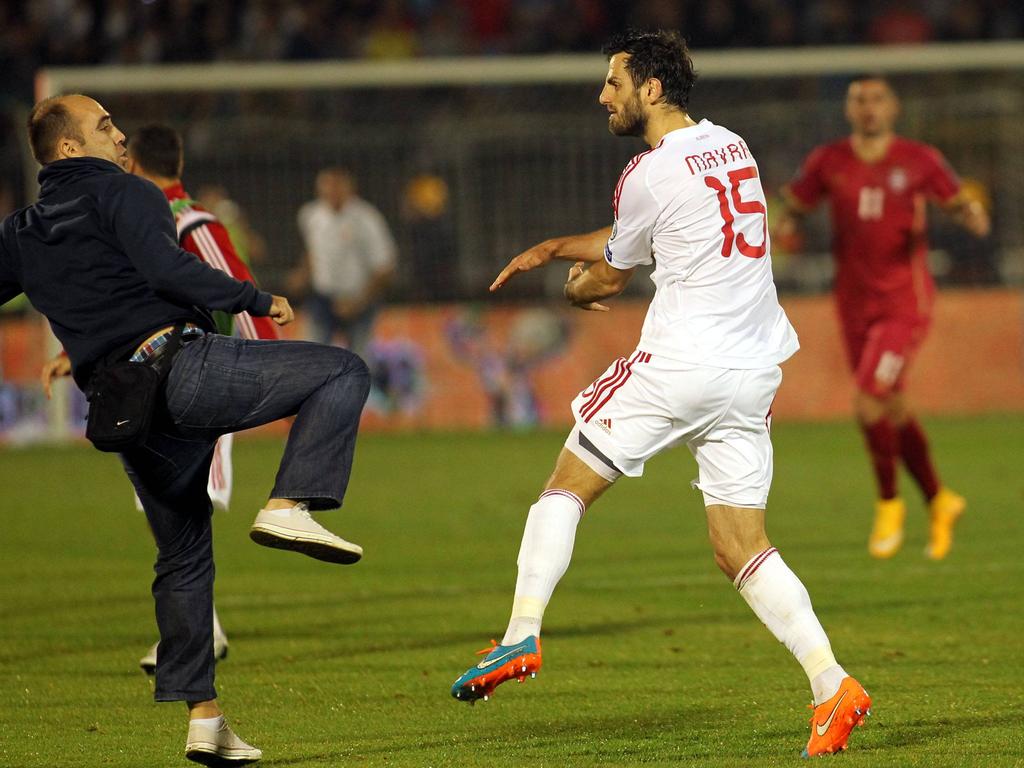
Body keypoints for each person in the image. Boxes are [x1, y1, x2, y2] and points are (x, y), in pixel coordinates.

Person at [450, 31, 871, 758]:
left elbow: (613, 271)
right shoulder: (731, 145)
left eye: (614, 82)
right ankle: (832, 685)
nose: (603, 95)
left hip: (683, 364)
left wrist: (576, 282)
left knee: (565, 486)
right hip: (752, 370)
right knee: (741, 546)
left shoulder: (646, 172)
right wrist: (558, 249)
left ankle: (519, 636)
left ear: (650, 88)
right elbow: (656, 236)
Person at [3, 94, 371, 766]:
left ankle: (205, 720)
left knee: (181, 556)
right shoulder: (130, 195)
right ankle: (291, 503)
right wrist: (254, 297)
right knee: (341, 371)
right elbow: (166, 270)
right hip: (179, 367)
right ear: (67, 148)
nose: (119, 136)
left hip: (121, 409)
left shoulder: (22, 232)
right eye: (105, 126)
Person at [775, 74, 990, 561]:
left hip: (904, 303)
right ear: (849, 111)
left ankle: (889, 502)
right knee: (891, 405)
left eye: (876, 100)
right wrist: (781, 224)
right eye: (859, 101)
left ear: (893, 109)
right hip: (852, 303)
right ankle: (939, 498)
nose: (868, 108)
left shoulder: (919, 159)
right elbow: (796, 206)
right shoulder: (829, 161)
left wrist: (970, 213)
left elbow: (956, 200)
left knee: (869, 400)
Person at [294, 167, 397, 361]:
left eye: (336, 186)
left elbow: (384, 267)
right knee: (311, 359)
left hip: (359, 298)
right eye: (326, 186)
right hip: (323, 298)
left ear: (349, 188)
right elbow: (312, 249)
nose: (331, 191)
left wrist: (359, 301)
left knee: (360, 363)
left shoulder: (367, 219)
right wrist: (303, 273)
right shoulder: (311, 215)